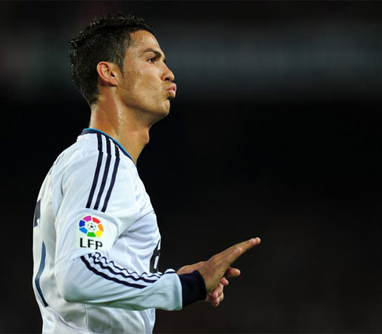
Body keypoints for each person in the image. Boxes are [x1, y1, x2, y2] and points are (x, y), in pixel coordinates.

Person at [32, 13, 261, 334]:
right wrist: (186, 286)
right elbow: (79, 272)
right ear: (109, 72)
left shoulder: (87, 160)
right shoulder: (102, 163)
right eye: (152, 59)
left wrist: (172, 280)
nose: (168, 73)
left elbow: (89, 270)